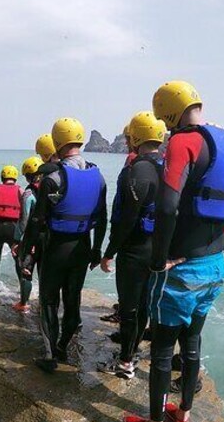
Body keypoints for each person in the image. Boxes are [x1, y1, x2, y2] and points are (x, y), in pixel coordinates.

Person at [124, 81, 224, 422]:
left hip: (180, 270)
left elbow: (168, 207)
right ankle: (183, 417)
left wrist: (159, 259)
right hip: (215, 266)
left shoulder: (184, 142)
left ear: (169, 113)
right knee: (193, 342)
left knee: (162, 351)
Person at [19, 118, 107, 372]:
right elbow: (102, 218)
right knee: (72, 299)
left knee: (49, 301)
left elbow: (37, 222)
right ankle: (65, 346)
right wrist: (97, 249)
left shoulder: (52, 179)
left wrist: (26, 253)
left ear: (57, 142)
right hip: (82, 247)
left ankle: (51, 354)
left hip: (56, 248)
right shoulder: (98, 176)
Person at [98, 111, 166, 379]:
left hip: (135, 250)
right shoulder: (169, 167)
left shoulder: (137, 171)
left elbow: (127, 220)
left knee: (129, 308)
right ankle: (132, 351)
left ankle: (126, 363)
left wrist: (109, 252)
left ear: (135, 137)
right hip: (159, 249)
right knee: (144, 306)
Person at [100, 124, 136, 324]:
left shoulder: (133, 160)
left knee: (125, 276)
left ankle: (123, 311)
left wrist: (110, 250)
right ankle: (125, 306)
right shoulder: (153, 162)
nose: (126, 141)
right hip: (140, 231)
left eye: (128, 137)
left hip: (126, 229)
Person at [11, 156, 43, 312]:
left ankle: (23, 303)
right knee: (44, 271)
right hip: (48, 238)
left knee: (26, 270)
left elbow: (23, 220)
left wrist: (16, 241)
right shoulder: (49, 188)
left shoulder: (28, 194)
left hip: (32, 239)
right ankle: (45, 303)